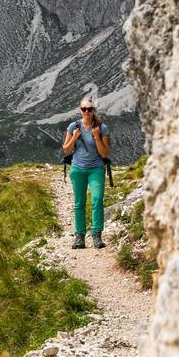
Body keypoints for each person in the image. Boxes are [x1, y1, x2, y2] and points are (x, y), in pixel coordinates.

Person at [62, 99, 110, 249]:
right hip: (77, 169)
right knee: (79, 203)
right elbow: (66, 149)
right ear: (80, 110)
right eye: (84, 109)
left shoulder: (102, 128)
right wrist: (75, 137)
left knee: (97, 200)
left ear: (93, 110)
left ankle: (97, 234)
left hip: (96, 168)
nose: (87, 112)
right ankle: (79, 237)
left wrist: (96, 136)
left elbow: (104, 152)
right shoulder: (73, 127)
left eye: (89, 109)